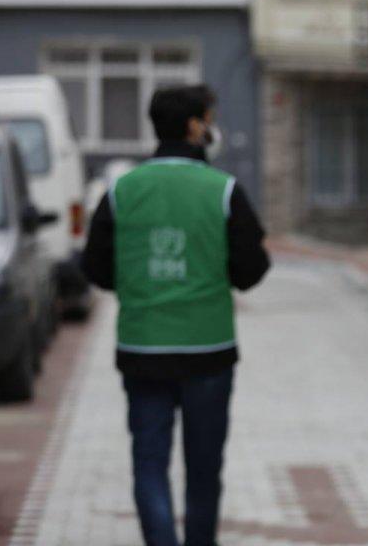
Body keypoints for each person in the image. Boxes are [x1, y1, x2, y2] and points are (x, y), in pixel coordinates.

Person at [82, 85, 270, 546]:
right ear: (193, 126)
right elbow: (252, 269)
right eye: (209, 119)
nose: (212, 128)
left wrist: (139, 284)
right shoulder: (224, 191)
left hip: (142, 348)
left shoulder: (121, 191)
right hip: (209, 351)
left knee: (149, 464)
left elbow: (96, 269)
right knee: (204, 469)